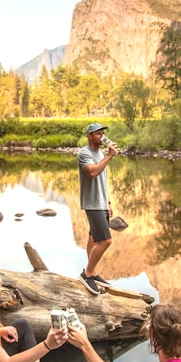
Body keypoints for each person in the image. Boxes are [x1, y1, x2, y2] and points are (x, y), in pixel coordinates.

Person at [77, 122, 118, 295]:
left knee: (93, 238)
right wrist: (109, 157)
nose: (101, 136)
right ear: (89, 136)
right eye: (98, 133)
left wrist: (107, 203)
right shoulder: (84, 153)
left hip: (101, 203)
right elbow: (92, 173)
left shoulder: (99, 153)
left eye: (102, 133)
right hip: (92, 204)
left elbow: (103, 181)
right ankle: (86, 274)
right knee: (106, 241)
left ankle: (92, 273)